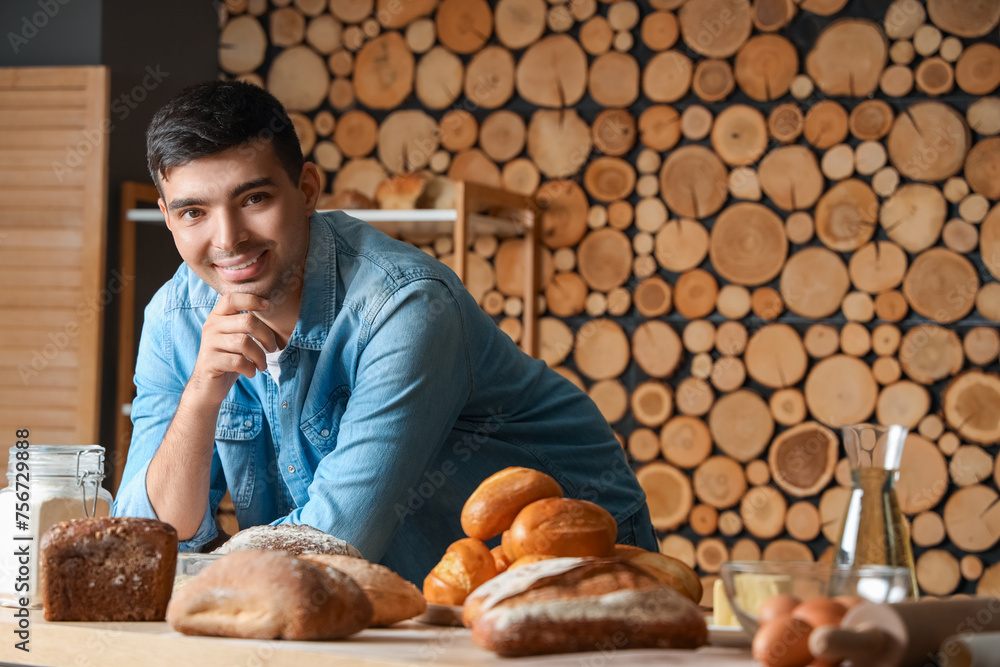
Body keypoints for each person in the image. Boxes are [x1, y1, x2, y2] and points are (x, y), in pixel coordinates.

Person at [113, 80, 656, 584]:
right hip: (389, 590)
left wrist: (192, 573)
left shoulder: (405, 306)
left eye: (254, 199)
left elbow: (335, 540)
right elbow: (144, 542)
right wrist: (201, 396)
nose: (227, 239)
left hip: (567, 554)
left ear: (306, 190)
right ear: (167, 217)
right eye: (193, 212)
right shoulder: (173, 317)